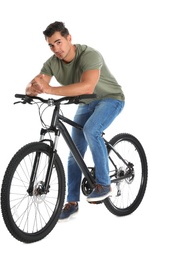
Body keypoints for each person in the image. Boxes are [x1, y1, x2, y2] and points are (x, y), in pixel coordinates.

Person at [26, 21, 125, 221]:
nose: (57, 49)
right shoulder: (53, 62)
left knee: (91, 130)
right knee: (74, 152)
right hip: (85, 103)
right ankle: (72, 202)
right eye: (51, 45)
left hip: (110, 98)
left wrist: (50, 90)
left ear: (69, 38)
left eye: (59, 42)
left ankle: (104, 184)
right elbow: (37, 82)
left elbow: (87, 86)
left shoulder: (89, 55)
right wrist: (31, 89)